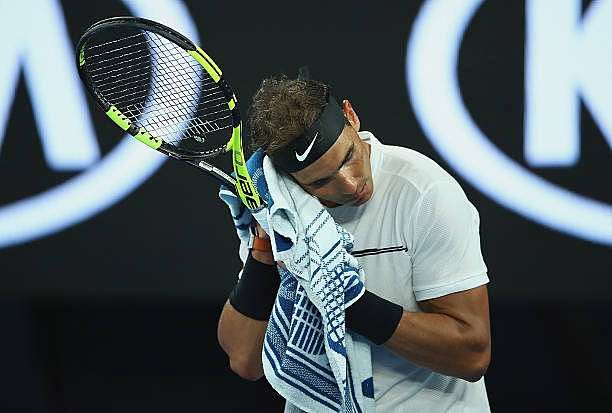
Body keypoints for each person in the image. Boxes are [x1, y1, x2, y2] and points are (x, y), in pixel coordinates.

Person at [218, 75, 491, 412]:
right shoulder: (285, 215)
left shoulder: (425, 193)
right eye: (321, 181)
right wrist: (264, 248)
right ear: (292, 181)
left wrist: (346, 302)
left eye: (348, 157)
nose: (349, 184)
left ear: (351, 116)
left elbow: (472, 353)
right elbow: (244, 360)